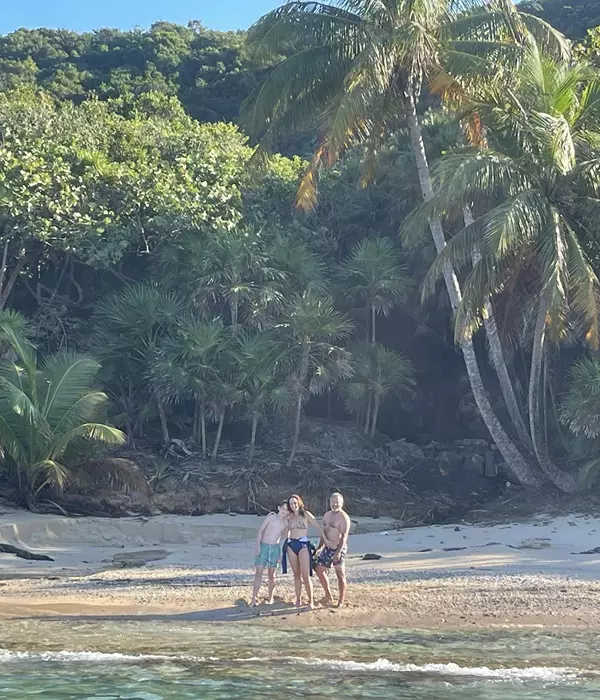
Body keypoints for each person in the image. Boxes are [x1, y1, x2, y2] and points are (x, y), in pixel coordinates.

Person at [282, 494, 330, 609]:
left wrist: (325, 541)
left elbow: (318, 528)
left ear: (299, 502)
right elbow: (286, 532)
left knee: (305, 574)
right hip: (291, 545)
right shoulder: (289, 517)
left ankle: (311, 601)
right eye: (291, 504)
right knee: (296, 574)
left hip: (303, 544)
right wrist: (286, 538)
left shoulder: (306, 514)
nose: (293, 505)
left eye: (295, 503)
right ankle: (298, 599)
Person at [250, 502, 290, 606]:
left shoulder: (286, 523)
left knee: (272, 575)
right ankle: (254, 598)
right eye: (283, 508)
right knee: (258, 573)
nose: (284, 511)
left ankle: (271, 598)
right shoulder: (271, 517)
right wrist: (258, 546)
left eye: (287, 510)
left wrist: (282, 555)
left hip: (275, 549)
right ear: (279, 507)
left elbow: (286, 538)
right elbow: (261, 531)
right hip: (264, 546)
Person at [315, 492, 351, 607]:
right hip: (328, 547)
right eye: (332, 502)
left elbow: (344, 536)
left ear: (341, 503)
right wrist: (319, 547)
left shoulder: (344, 518)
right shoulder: (327, 515)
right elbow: (324, 532)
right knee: (319, 569)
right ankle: (328, 595)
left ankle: (340, 601)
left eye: (337, 502)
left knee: (340, 575)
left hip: (339, 548)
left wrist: (338, 552)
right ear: (329, 502)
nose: (335, 504)